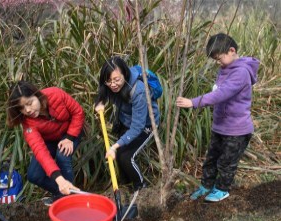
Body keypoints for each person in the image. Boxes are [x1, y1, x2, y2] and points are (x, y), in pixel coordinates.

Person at [176, 33, 259, 202]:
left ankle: (222, 189)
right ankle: (206, 185)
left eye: (219, 58)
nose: (218, 62)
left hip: (236, 130)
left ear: (231, 50)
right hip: (220, 126)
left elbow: (221, 94)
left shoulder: (241, 72)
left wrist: (193, 102)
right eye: (215, 60)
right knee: (211, 159)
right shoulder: (224, 69)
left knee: (227, 162)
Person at [7, 81, 84, 206]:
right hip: (50, 139)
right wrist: (60, 181)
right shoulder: (28, 123)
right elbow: (40, 151)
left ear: (36, 95)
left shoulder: (55, 94)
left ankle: (70, 202)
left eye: (29, 103)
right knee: (34, 175)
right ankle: (66, 193)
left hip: (70, 131)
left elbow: (78, 112)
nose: (27, 110)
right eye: (21, 108)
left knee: (62, 155)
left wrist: (69, 137)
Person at [94, 56, 160, 192]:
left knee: (126, 157)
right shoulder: (109, 85)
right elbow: (103, 92)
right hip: (127, 120)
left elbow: (138, 127)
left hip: (145, 124)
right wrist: (100, 102)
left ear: (125, 74)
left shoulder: (139, 91)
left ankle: (141, 188)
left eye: (117, 80)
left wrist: (114, 146)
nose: (113, 84)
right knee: (119, 154)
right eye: (109, 81)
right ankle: (126, 185)